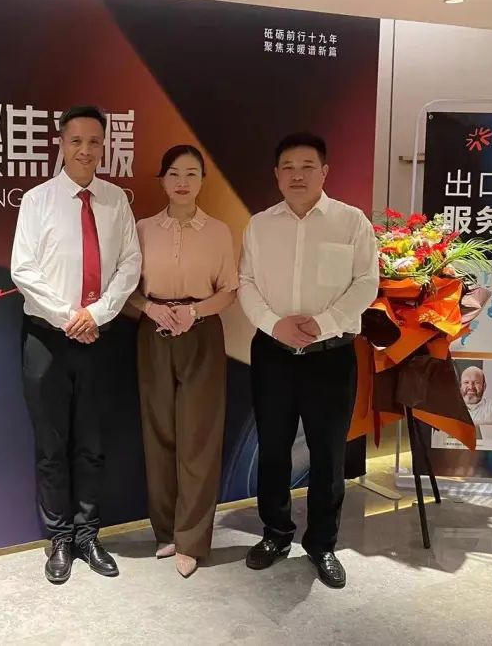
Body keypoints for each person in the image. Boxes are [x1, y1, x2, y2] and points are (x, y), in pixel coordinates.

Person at [238, 131, 378, 590]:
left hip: (330, 356)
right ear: (276, 175)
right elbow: (246, 282)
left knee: (328, 454)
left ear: (324, 172)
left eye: (307, 166)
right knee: (274, 449)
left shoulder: (351, 222)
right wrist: (273, 324)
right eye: (288, 167)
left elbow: (366, 283)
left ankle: (322, 544)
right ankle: (276, 534)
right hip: (273, 353)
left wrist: (324, 323)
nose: (297, 175)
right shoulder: (260, 225)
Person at [10, 104, 142, 585]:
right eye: (76, 141)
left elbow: (130, 264)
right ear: (61, 143)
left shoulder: (115, 201)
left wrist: (97, 314)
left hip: (98, 337)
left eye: (94, 142)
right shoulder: (37, 200)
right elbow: (23, 269)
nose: (85, 150)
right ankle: (60, 538)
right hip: (47, 339)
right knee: (52, 446)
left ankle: (88, 535)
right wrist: (71, 317)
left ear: (104, 146)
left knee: (91, 444)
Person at [127, 145, 238, 579]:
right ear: (162, 179)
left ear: (203, 180)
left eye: (192, 174)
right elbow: (127, 289)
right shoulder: (142, 229)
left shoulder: (219, 232)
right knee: (158, 433)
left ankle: (192, 539)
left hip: (201, 332)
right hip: (153, 331)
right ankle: (166, 531)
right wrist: (150, 308)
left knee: (199, 437)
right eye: (174, 173)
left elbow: (229, 290)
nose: (182, 182)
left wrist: (193, 312)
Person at [459, 365, 492, 436]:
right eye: (466, 382)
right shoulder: (449, 409)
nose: (471, 387)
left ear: (484, 386)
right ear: (460, 386)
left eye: (476, 382)